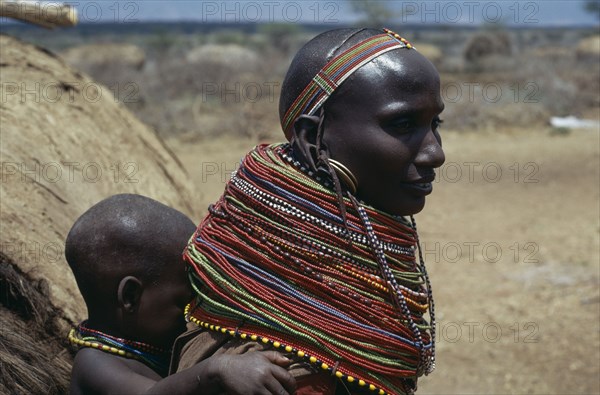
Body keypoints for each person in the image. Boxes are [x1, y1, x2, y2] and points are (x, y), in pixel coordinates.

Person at [177, 27, 445, 395]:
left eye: (435, 124)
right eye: (402, 124)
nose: (435, 153)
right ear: (311, 138)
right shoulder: (281, 375)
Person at [65, 193, 297, 395]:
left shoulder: (153, 347)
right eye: (183, 301)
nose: (192, 312)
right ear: (131, 297)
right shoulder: (93, 364)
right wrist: (217, 370)